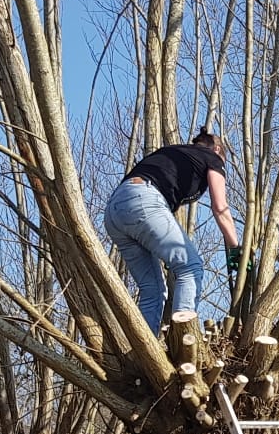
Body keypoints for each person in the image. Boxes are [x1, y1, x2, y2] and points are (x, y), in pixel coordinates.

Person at [103, 130, 243, 332]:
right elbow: (220, 207)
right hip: (144, 200)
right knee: (190, 266)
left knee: (152, 290)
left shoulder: (174, 152)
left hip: (114, 213)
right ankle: (184, 340)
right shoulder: (212, 156)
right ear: (218, 149)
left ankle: (144, 350)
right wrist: (234, 248)